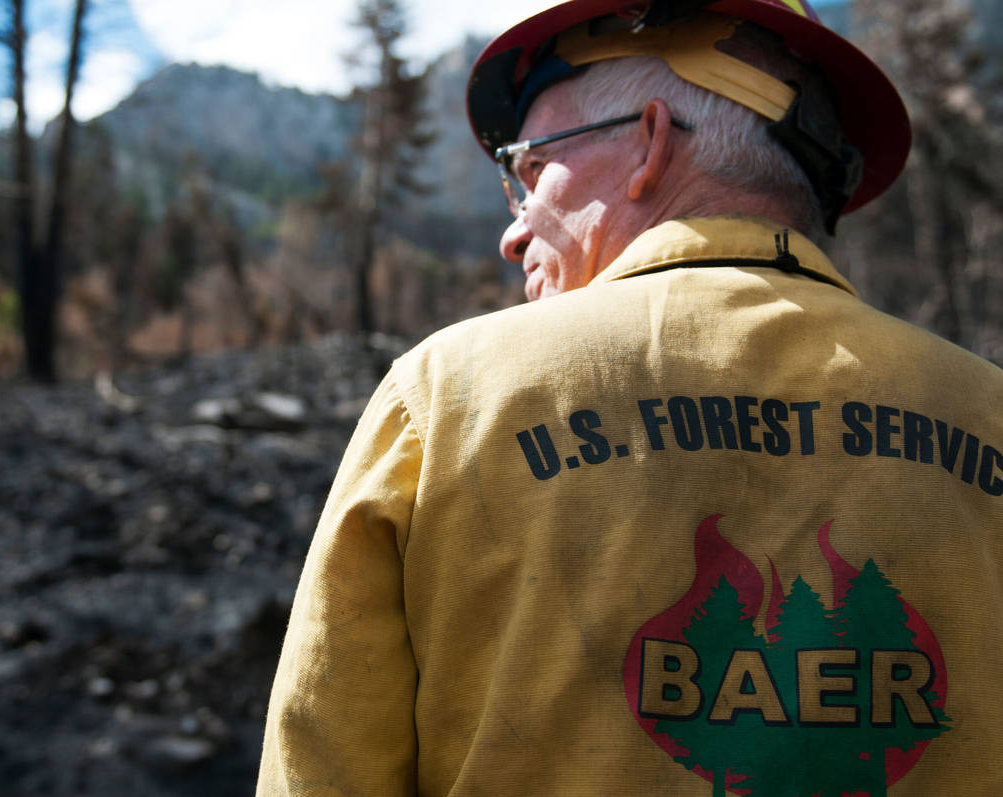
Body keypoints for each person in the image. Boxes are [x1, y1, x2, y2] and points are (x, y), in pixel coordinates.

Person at [257, 0, 1003, 793]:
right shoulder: (988, 410)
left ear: (650, 142)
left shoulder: (444, 399)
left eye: (532, 171)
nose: (513, 232)